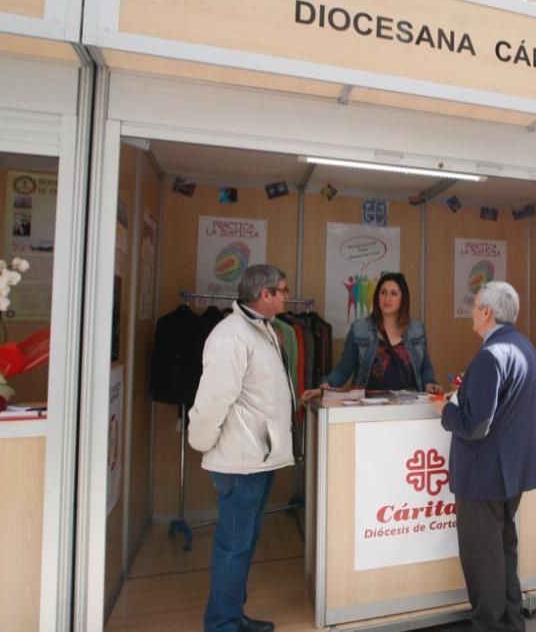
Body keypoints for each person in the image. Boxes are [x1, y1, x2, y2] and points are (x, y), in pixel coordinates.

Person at [188, 265, 296, 632]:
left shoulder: (262, 331)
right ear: (264, 294)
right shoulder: (231, 335)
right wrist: (200, 442)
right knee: (233, 547)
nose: (286, 296)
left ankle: (233, 617)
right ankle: (222, 625)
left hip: (258, 458)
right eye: (282, 290)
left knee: (244, 544)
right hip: (239, 461)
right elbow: (214, 398)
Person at [436, 281, 536, 631]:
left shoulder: (489, 356)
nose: (471, 311)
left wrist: (449, 409)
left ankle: (488, 625)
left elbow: (475, 424)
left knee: (483, 559)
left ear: (487, 312)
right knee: (503, 553)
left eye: (475, 304)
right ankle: (511, 623)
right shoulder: (524, 346)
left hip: (483, 475)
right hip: (512, 473)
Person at [309, 272, 442, 394]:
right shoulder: (360, 328)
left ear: (403, 299)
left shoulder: (417, 329)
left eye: (394, 293)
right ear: (377, 296)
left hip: (409, 407)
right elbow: (344, 369)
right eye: (383, 292)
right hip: (369, 407)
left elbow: (425, 368)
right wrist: (326, 384)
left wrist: (430, 384)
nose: (387, 298)